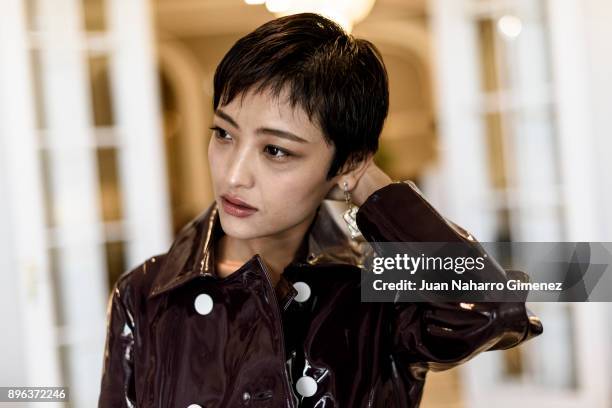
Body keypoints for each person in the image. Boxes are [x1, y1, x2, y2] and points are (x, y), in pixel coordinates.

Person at [98, 13, 543, 408]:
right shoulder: (145, 294)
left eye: (275, 150)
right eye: (223, 133)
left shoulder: (378, 284)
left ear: (347, 162)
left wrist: (366, 182)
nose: (233, 176)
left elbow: (490, 306)